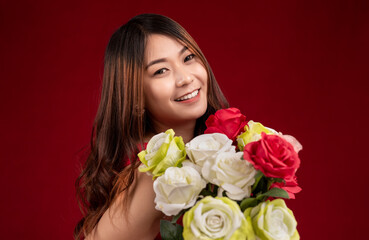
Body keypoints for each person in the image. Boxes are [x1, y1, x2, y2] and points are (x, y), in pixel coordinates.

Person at [74, 13, 229, 240]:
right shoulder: (156, 176)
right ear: (135, 97)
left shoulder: (201, 148)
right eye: (160, 71)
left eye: (188, 58)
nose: (185, 78)